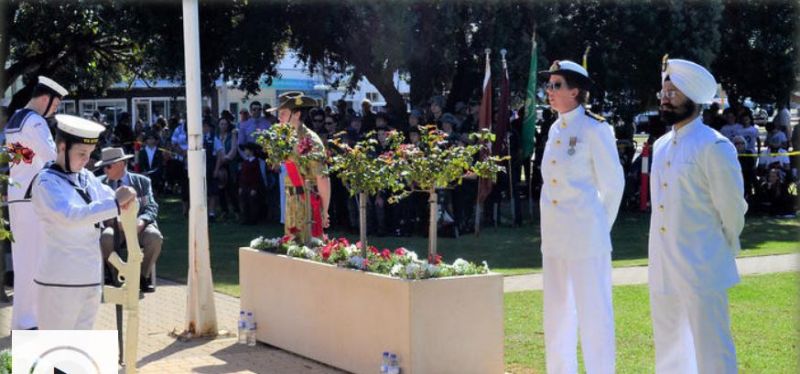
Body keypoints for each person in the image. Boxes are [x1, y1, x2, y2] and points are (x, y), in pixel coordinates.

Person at [649, 57, 747, 373]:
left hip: (702, 267)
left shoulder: (713, 146)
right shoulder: (661, 146)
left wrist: (717, 249)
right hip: (664, 267)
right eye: (663, 93)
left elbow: (732, 210)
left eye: (673, 93)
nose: (665, 99)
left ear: (693, 98)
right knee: (669, 351)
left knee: (712, 351)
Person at [538, 60, 624, 374]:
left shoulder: (595, 129)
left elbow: (613, 185)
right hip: (555, 238)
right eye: (548, 85)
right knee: (557, 316)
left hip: (586, 238)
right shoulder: (554, 128)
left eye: (556, 85)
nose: (549, 90)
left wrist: (597, 228)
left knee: (594, 316)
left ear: (575, 91)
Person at [30, 115, 137, 330]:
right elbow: (70, 216)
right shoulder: (46, 182)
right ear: (62, 147)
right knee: (55, 347)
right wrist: (116, 203)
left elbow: (112, 198)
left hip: (89, 277)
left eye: (89, 153)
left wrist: (128, 197)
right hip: (60, 281)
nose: (86, 160)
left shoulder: (86, 178)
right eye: (81, 153)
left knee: (81, 346)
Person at [4, 76, 67, 330]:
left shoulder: (16, 118)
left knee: (24, 261)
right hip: (32, 198)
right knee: (35, 260)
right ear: (45, 99)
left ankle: (24, 320)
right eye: (55, 104)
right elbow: (52, 157)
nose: (55, 110)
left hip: (19, 195)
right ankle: (28, 322)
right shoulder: (36, 121)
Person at [97, 147, 163, 293]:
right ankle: (118, 276)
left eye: (108, 166)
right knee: (106, 237)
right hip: (114, 227)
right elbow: (97, 209)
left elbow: (151, 206)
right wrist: (114, 222)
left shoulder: (142, 182)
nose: (105, 170)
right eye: (103, 167)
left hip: (139, 226)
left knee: (154, 237)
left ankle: (141, 277)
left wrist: (142, 221)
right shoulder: (99, 184)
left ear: (121, 164)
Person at [267, 92, 331, 243]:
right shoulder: (288, 138)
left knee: (309, 248)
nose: (279, 118)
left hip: (308, 201)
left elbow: (322, 177)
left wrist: (325, 210)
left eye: (283, 113)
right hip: (291, 201)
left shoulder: (311, 140)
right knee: (292, 247)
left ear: (296, 114)